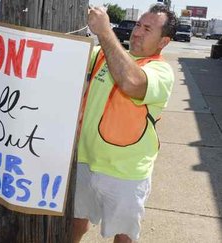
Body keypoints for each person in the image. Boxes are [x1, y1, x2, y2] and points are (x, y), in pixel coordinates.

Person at [73, 4, 177, 243]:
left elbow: (131, 82)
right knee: (76, 222)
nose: (137, 32)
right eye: (138, 25)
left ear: (164, 42)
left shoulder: (161, 71)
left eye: (147, 29)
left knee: (124, 236)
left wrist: (105, 31)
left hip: (126, 172)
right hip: (85, 161)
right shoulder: (103, 53)